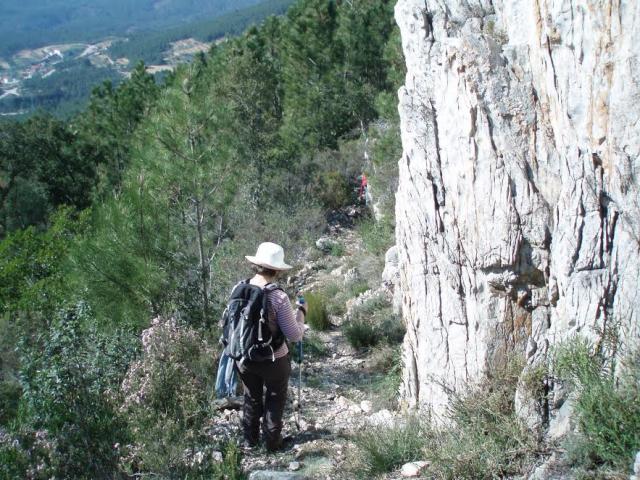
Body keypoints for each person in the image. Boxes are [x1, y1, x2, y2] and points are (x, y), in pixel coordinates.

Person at [236, 242, 306, 451]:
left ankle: (250, 440)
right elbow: (294, 335)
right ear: (276, 269)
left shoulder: (240, 288)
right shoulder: (278, 296)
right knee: (275, 398)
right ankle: (273, 443)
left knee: (252, 397)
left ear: (257, 265)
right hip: (274, 358)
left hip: (244, 357)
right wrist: (301, 313)